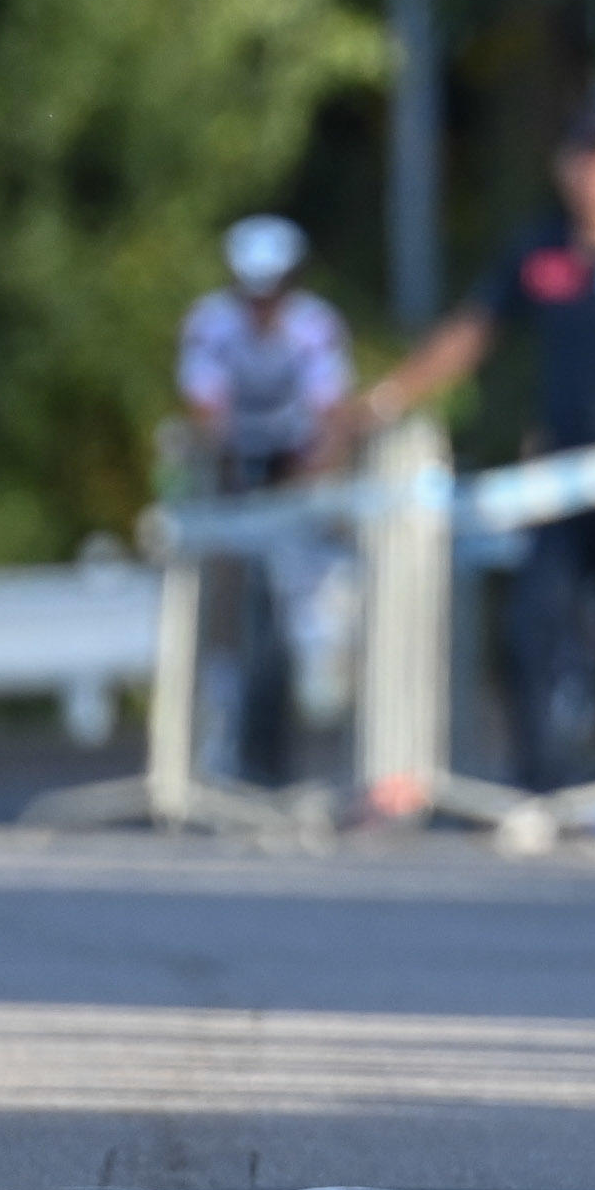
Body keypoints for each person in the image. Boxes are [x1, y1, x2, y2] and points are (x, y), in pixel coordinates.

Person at [353, 89, 595, 794]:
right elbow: (473, 329)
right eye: (587, 157)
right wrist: (385, 399)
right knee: (532, 624)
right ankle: (539, 785)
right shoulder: (541, 245)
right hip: (557, 477)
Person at [175, 216, 354, 785]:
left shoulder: (315, 325)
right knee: (225, 605)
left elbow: (328, 413)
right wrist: (227, 467)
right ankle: (222, 742)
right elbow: (206, 408)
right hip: (233, 466)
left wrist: (310, 474)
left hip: (294, 465)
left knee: (308, 590)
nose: (261, 309)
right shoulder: (211, 323)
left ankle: (314, 702)